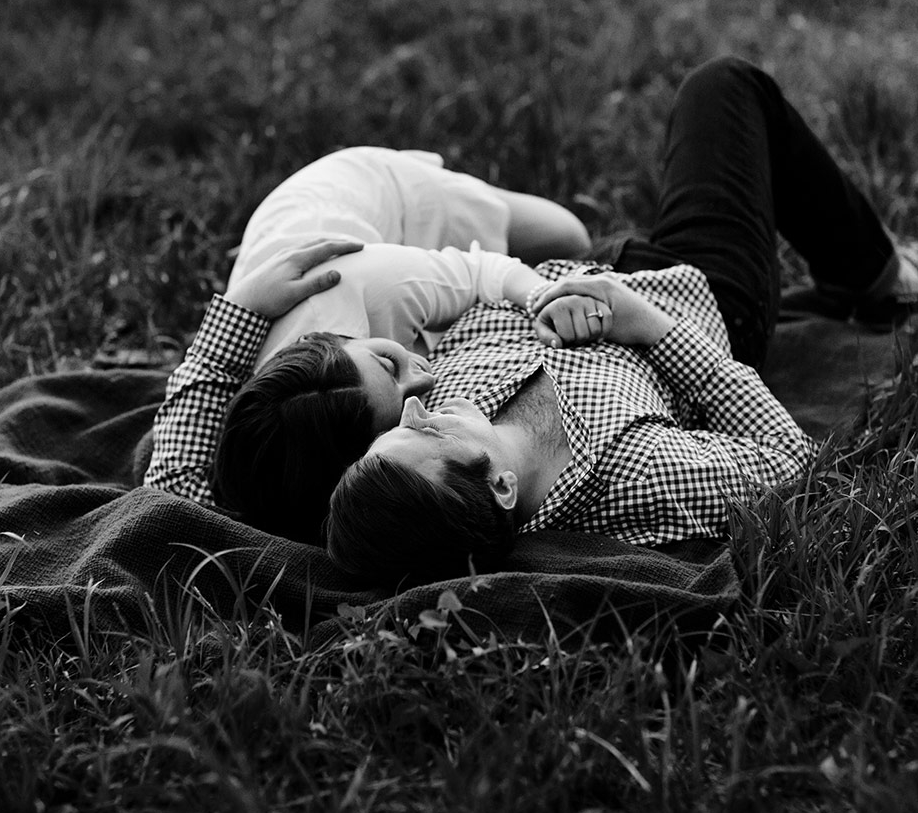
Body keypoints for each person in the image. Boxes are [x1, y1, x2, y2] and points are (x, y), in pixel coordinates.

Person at [325, 56, 918, 583]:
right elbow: (794, 463)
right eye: (427, 433)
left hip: (580, 267)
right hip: (693, 291)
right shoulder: (641, 475)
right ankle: (877, 275)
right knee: (726, 86)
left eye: (398, 428)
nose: (414, 407)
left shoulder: (427, 446)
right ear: (501, 488)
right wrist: (648, 324)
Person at [143, 147, 594, 542]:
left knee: (569, 237)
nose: (424, 380)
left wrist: (544, 297)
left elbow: (485, 271)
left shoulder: (364, 283)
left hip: (375, 194)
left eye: (389, 363)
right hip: (313, 245)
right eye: (396, 414)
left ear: (334, 340)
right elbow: (171, 487)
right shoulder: (281, 450)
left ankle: (438, 180)